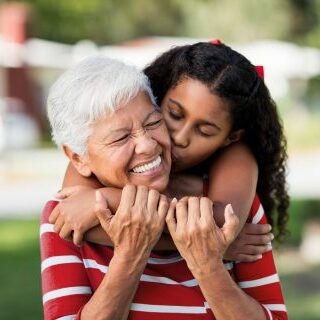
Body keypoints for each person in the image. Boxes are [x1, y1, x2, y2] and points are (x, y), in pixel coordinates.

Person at [41, 46, 288, 319]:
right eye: (121, 137)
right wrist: (138, 247)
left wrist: (206, 258)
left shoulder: (237, 201)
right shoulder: (70, 210)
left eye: (152, 123)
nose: (148, 144)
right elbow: (77, 201)